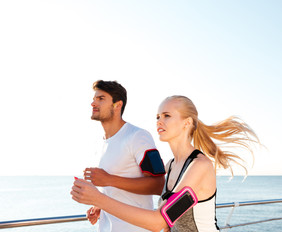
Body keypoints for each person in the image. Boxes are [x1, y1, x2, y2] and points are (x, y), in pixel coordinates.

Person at [72, 95, 259, 232]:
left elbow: (159, 222)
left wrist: (99, 199)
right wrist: (103, 208)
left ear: (187, 123)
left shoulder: (199, 167)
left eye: (167, 116)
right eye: (157, 117)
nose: (159, 121)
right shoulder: (170, 166)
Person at [83, 80, 166, 232]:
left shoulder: (138, 136)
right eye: (94, 99)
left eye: (101, 99)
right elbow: (114, 189)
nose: (93, 103)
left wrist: (108, 179)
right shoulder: (102, 143)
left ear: (117, 105)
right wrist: (99, 205)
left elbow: (158, 184)